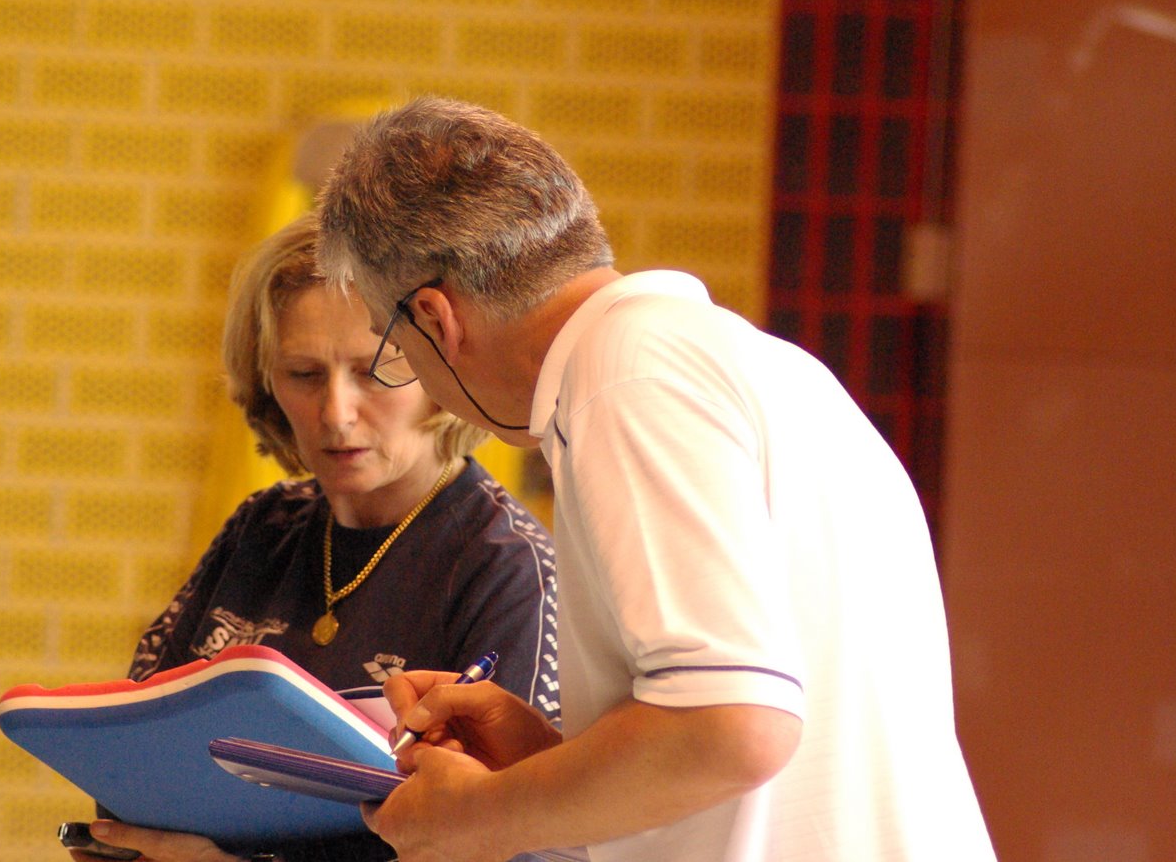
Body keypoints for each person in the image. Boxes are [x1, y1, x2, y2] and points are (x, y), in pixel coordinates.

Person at [315, 97, 997, 862]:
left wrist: (479, 815)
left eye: (392, 345)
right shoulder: (756, 364)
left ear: (436, 318)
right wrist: (540, 762)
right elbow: (751, 742)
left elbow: (735, 727)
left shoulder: (624, 382)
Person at [79, 214, 559, 862]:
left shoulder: (509, 567)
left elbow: (515, 843)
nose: (336, 412)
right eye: (304, 374)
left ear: (441, 375)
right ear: (267, 385)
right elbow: (131, 752)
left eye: (373, 371)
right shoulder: (262, 526)